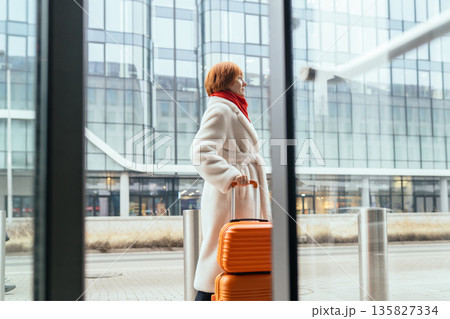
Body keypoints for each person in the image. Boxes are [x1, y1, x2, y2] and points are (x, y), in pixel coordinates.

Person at [190, 61, 271, 301]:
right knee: (221, 255)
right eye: (239, 78)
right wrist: (231, 176)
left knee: (237, 257)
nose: (244, 83)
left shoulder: (233, 108)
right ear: (225, 81)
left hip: (243, 191)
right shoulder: (221, 109)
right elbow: (200, 151)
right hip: (231, 194)